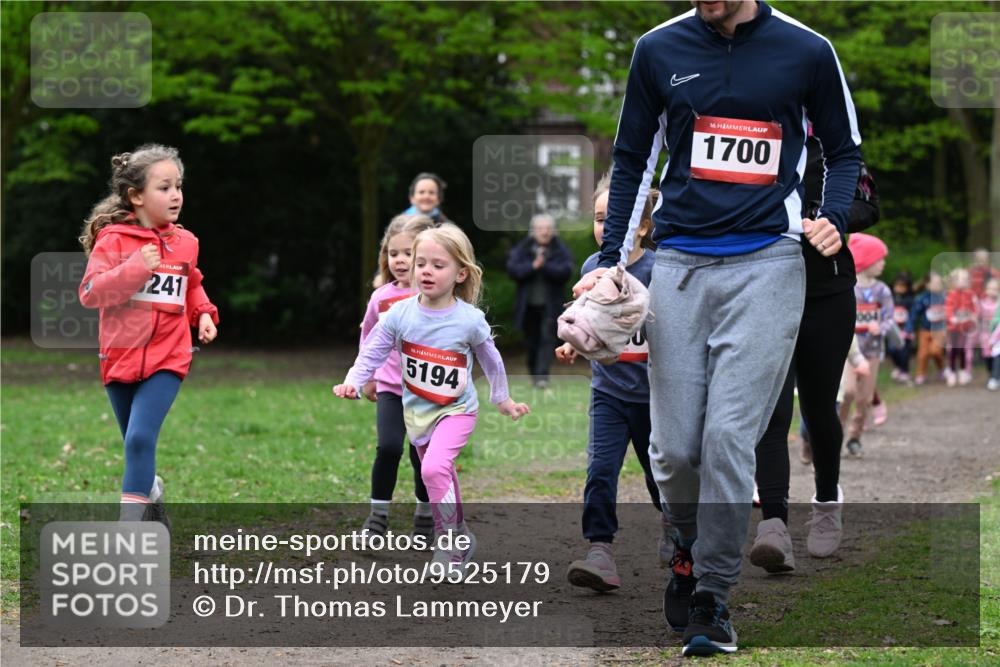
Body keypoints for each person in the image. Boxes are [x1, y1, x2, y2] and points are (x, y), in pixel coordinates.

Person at [578, 0, 861, 656]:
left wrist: (834, 217)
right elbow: (631, 159)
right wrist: (612, 265)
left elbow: (845, 152)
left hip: (770, 263)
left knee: (729, 434)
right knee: (675, 450)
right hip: (679, 263)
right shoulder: (658, 49)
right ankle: (686, 541)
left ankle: (712, 595)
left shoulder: (808, 49)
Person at [334, 223, 530, 580]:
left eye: (438, 265)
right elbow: (371, 351)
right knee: (443, 475)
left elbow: (492, 360)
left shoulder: (469, 320)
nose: (425, 270)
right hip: (418, 412)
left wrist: (502, 399)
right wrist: (354, 381)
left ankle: (448, 543)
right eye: (420, 262)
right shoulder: (399, 314)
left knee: (432, 470)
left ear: (460, 273)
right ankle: (462, 534)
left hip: (457, 410)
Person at [750, 135, 880, 572]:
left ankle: (827, 501)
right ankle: (774, 526)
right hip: (764, 290)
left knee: (819, 409)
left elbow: (868, 204)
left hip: (827, 292)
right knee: (772, 410)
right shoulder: (756, 137)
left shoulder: (832, 147)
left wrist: (826, 219)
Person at [78, 144, 219, 528]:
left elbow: (191, 283)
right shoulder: (113, 241)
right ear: (135, 196)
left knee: (140, 440)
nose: (176, 195)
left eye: (179, 186)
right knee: (134, 444)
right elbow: (91, 293)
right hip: (119, 356)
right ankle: (151, 491)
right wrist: (136, 268)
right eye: (164, 187)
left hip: (168, 357)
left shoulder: (185, 242)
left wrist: (203, 313)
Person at [556, 174, 664, 592]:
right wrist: (574, 347)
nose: (605, 226)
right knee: (601, 470)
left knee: (660, 476)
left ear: (641, 226)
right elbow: (586, 321)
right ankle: (599, 550)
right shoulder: (591, 269)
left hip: (655, 396)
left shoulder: (659, 270)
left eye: (615, 218)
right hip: (609, 391)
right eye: (600, 218)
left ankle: (674, 524)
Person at [356, 214, 436, 541]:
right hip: (391, 387)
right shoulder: (381, 298)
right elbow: (369, 337)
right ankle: (378, 517)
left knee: (424, 458)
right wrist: (368, 376)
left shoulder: (437, 295)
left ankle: (425, 514)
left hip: (430, 391)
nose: (400, 260)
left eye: (408, 253)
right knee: (388, 448)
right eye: (393, 253)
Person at [839, 233, 893, 458]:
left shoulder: (883, 291)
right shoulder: (849, 288)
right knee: (847, 392)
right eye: (879, 259)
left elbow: (890, 319)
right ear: (866, 261)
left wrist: (881, 328)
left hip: (872, 352)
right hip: (849, 351)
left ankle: (854, 438)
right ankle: (835, 435)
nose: (883, 263)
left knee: (865, 398)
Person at [506, 214, 574, 388]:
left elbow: (565, 271)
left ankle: (542, 376)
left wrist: (545, 266)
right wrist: (532, 266)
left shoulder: (560, 249)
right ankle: (534, 374)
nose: (544, 232)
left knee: (547, 339)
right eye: (540, 228)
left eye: (548, 228)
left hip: (551, 306)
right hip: (528, 306)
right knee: (531, 342)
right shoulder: (523, 248)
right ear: (533, 231)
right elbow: (513, 270)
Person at [909, 271, 948, 385]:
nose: (938, 285)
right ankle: (921, 374)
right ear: (927, 285)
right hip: (925, 330)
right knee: (922, 353)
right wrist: (909, 329)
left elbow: (949, 313)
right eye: (935, 283)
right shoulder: (921, 299)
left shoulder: (944, 297)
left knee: (935, 351)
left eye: (939, 283)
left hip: (939, 330)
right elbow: (914, 314)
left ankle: (941, 369)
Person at [944, 267, 979, 386]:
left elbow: (974, 307)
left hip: (966, 326)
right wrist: (951, 318)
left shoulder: (970, 294)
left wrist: (974, 315)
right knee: (953, 350)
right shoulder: (951, 294)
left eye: (965, 279)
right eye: (960, 279)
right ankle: (952, 371)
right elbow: (948, 308)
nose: (963, 281)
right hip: (954, 328)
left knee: (963, 349)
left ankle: (963, 371)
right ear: (953, 282)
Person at [887, 271, 915, 385]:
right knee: (892, 350)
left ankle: (905, 371)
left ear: (907, 287)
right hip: (893, 330)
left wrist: (908, 330)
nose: (899, 288)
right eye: (897, 285)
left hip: (905, 331)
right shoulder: (889, 298)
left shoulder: (910, 300)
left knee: (904, 352)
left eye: (902, 286)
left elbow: (912, 316)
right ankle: (898, 367)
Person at [979, 278, 999, 379]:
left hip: (998, 335)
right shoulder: (982, 303)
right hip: (986, 334)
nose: (992, 291)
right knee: (987, 355)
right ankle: (991, 374)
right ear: (986, 290)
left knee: (997, 354)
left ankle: (996, 375)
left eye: (995, 289)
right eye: (990, 288)